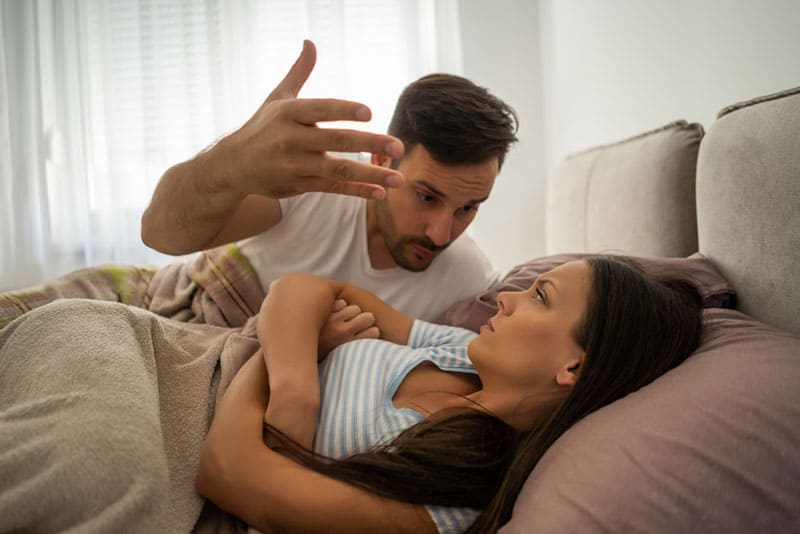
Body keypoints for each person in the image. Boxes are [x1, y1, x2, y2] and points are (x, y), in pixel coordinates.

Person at [196, 255, 705, 532]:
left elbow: (225, 471)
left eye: (540, 297)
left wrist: (297, 350)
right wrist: (295, 389)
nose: (506, 298)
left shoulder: (460, 492)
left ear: (573, 366)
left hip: (186, 430)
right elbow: (304, 288)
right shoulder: (463, 351)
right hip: (197, 359)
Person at [140, 39, 519, 322]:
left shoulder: (467, 280)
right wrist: (229, 163)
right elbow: (160, 234)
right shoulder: (313, 181)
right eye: (426, 197)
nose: (441, 234)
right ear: (381, 159)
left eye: (468, 208)